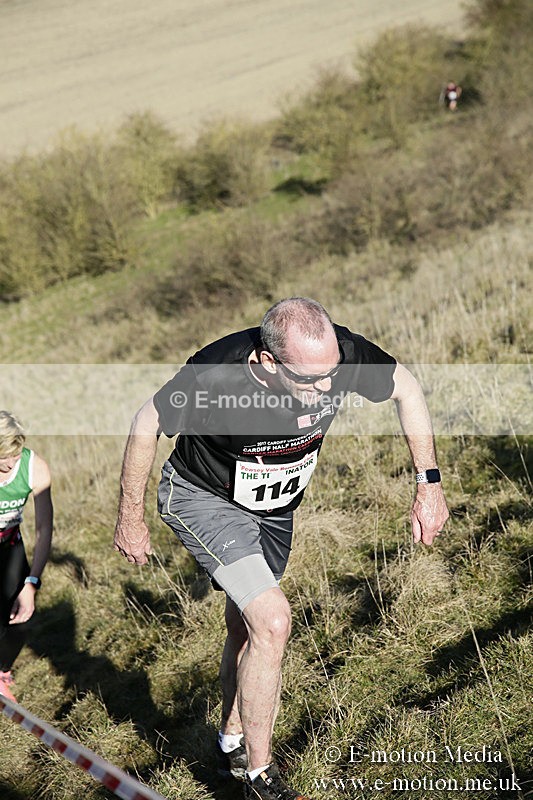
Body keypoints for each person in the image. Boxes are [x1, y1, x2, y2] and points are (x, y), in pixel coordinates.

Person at [114, 297, 449, 800]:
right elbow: (146, 423)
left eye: (331, 375)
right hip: (202, 497)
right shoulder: (215, 376)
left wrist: (429, 485)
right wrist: (130, 517)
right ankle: (259, 776)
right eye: (310, 380)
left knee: (245, 628)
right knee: (272, 620)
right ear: (268, 362)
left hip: (273, 509)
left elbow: (408, 388)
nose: (325, 390)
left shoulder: (337, 357)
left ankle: (228, 738)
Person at [0, 411, 53, 702]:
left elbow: (45, 528)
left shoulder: (34, 466)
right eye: (1, 458)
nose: (9, 464)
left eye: (14, 455)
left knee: (22, 619)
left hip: (10, 546)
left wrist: (31, 583)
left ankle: (2, 669)